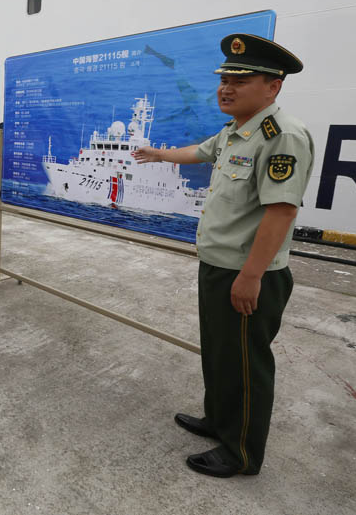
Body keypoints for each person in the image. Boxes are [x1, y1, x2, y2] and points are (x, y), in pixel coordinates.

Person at [132, 34, 313, 478]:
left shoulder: (281, 136)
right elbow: (198, 152)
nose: (226, 88)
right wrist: (157, 154)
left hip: (248, 273)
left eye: (241, 79)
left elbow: (281, 210)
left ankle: (242, 452)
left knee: (247, 365)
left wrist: (251, 276)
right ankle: (218, 420)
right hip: (218, 266)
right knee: (218, 353)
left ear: (274, 86)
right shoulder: (237, 129)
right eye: (224, 79)